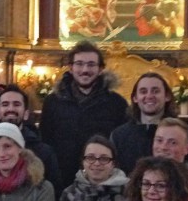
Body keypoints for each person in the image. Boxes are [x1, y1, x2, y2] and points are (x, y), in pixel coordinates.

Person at [40, 41, 128, 187]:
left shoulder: (116, 103)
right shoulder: (53, 102)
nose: (85, 70)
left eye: (91, 64)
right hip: (62, 178)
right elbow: (46, 141)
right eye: (79, 64)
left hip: (102, 180)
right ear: (71, 68)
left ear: (100, 69)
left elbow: (120, 144)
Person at [110, 72, 188, 177]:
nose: (149, 96)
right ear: (135, 98)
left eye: (155, 91)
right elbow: (112, 176)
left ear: (167, 96)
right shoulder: (119, 135)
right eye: (143, 91)